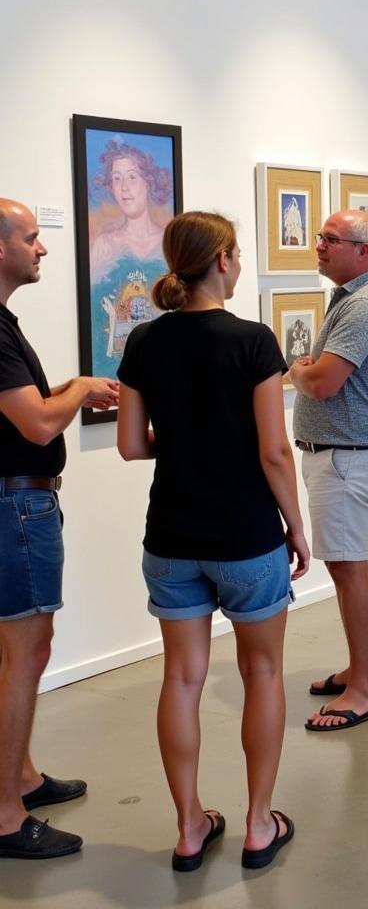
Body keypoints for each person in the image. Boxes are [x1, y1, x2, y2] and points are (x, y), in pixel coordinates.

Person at [117, 211, 309, 870]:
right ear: (223, 260)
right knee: (262, 673)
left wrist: (186, 441)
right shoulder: (252, 341)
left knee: (181, 678)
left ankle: (190, 828)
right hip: (246, 536)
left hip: (169, 535)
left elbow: (129, 446)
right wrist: (298, 526)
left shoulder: (143, 342)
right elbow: (275, 452)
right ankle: (258, 824)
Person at [0, 198, 118, 860]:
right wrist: (79, 388)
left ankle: (19, 776)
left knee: (25, 650)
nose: (41, 248)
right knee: (22, 655)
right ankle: (6, 814)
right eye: (31, 237)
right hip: (16, 508)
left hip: (19, 506)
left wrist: (72, 389)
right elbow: (38, 423)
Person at [292, 210, 368, 732]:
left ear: (364, 251)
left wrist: (296, 369)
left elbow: (323, 383)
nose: (319, 246)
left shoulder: (363, 307)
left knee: (347, 566)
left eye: (331, 240)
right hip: (345, 453)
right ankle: (367, 667)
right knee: (348, 565)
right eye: (320, 237)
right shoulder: (354, 299)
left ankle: (362, 691)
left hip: (345, 456)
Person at [89, 140, 175, 375]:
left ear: (149, 182)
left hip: (165, 366)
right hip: (113, 367)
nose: (124, 187)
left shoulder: (169, 245)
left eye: (132, 177)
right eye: (117, 178)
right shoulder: (103, 245)